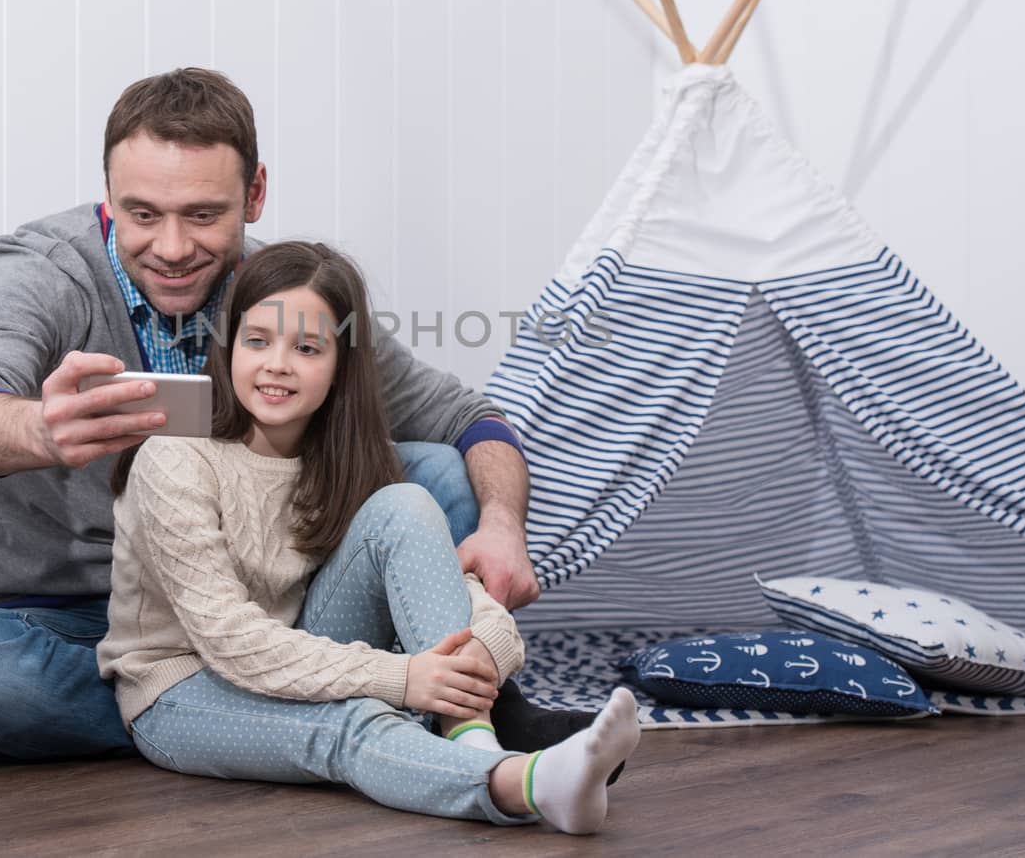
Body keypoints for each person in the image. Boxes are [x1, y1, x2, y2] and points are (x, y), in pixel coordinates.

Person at [0, 67, 584, 761]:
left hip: (255, 606)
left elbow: (464, 416)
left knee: (440, 471)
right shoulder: (43, 272)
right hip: (68, 617)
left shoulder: (286, 294)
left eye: (203, 215)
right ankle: (239, 711)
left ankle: (473, 709)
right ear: (109, 200)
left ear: (255, 194)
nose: (172, 248)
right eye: (142, 214)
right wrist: (37, 429)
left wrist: (505, 525)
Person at [101, 240, 640, 833]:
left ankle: (472, 736)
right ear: (229, 346)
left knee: (406, 504)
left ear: (339, 367)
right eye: (257, 341)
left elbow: (459, 587)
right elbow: (228, 639)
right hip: (180, 689)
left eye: (306, 347)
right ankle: (520, 784)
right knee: (352, 720)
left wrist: (488, 644)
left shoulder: (340, 460)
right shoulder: (175, 458)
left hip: (296, 649)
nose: (277, 363)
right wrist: (404, 679)